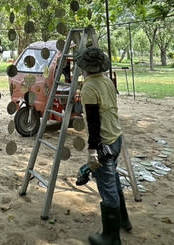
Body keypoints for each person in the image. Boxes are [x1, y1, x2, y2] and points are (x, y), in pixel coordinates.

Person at [77, 46, 131, 245]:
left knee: (107, 188)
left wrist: (92, 151)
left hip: (104, 143)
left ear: (84, 67)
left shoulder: (89, 88)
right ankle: (124, 219)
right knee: (114, 181)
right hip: (116, 138)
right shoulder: (107, 81)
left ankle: (111, 237)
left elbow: (93, 122)